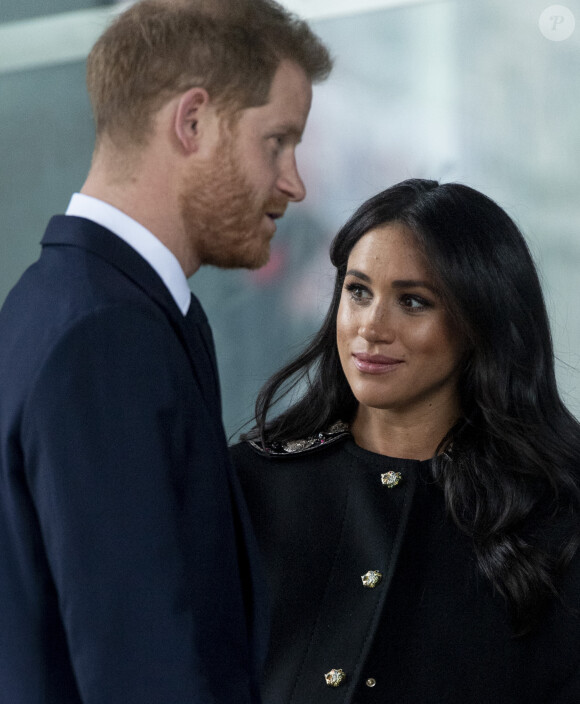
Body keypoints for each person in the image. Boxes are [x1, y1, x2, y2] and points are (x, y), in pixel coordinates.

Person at [0, 1, 331, 702]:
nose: (293, 182)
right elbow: (140, 667)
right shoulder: (104, 334)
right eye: (277, 141)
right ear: (193, 122)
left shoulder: (61, 301)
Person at [231, 178, 580, 703]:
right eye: (358, 291)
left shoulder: (555, 515)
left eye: (413, 302)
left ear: (479, 321)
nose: (371, 327)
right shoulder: (252, 484)